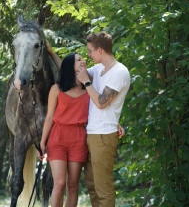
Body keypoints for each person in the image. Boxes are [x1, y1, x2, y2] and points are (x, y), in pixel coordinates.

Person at [46, 32, 130, 207]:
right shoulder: (99, 70)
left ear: (100, 50)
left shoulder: (119, 72)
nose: (89, 55)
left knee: (103, 188)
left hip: (103, 135)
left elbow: (101, 102)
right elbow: (71, 71)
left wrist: (87, 83)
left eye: (90, 51)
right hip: (89, 134)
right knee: (92, 187)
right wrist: (52, 53)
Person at [37, 52, 89, 207]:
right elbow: (49, 116)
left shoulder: (89, 88)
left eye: (83, 58)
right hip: (58, 137)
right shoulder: (57, 89)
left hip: (79, 138)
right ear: (69, 66)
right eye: (78, 59)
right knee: (59, 184)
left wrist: (116, 123)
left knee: (73, 185)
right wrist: (42, 141)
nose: (83, 61)